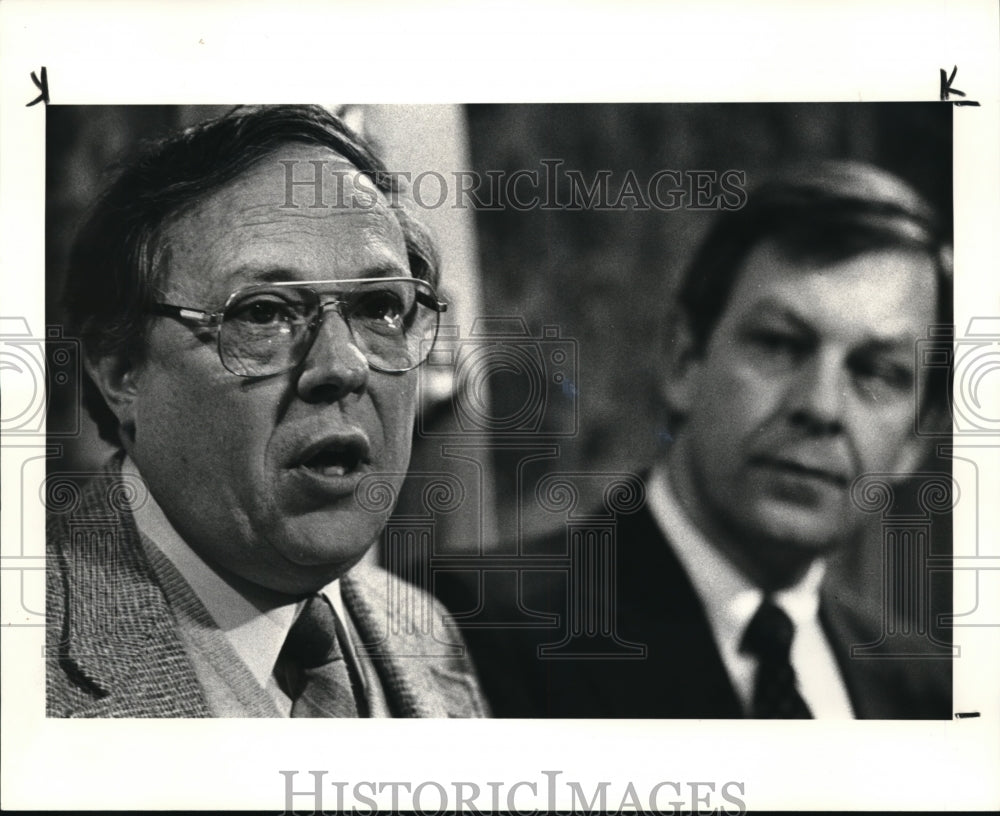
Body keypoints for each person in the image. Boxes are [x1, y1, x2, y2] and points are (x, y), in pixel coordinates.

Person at [443, 160, 953, 718]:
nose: (820, 406)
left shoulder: (933, 696)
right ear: (684, 361)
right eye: (780, 344)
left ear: (914, 441)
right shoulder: (474, 627)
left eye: (876, 371)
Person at [46, 105, 487, 718]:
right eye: (264, 313)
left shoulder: (428, 637)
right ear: (121, 372)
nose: (343, 365)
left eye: (381, 306)